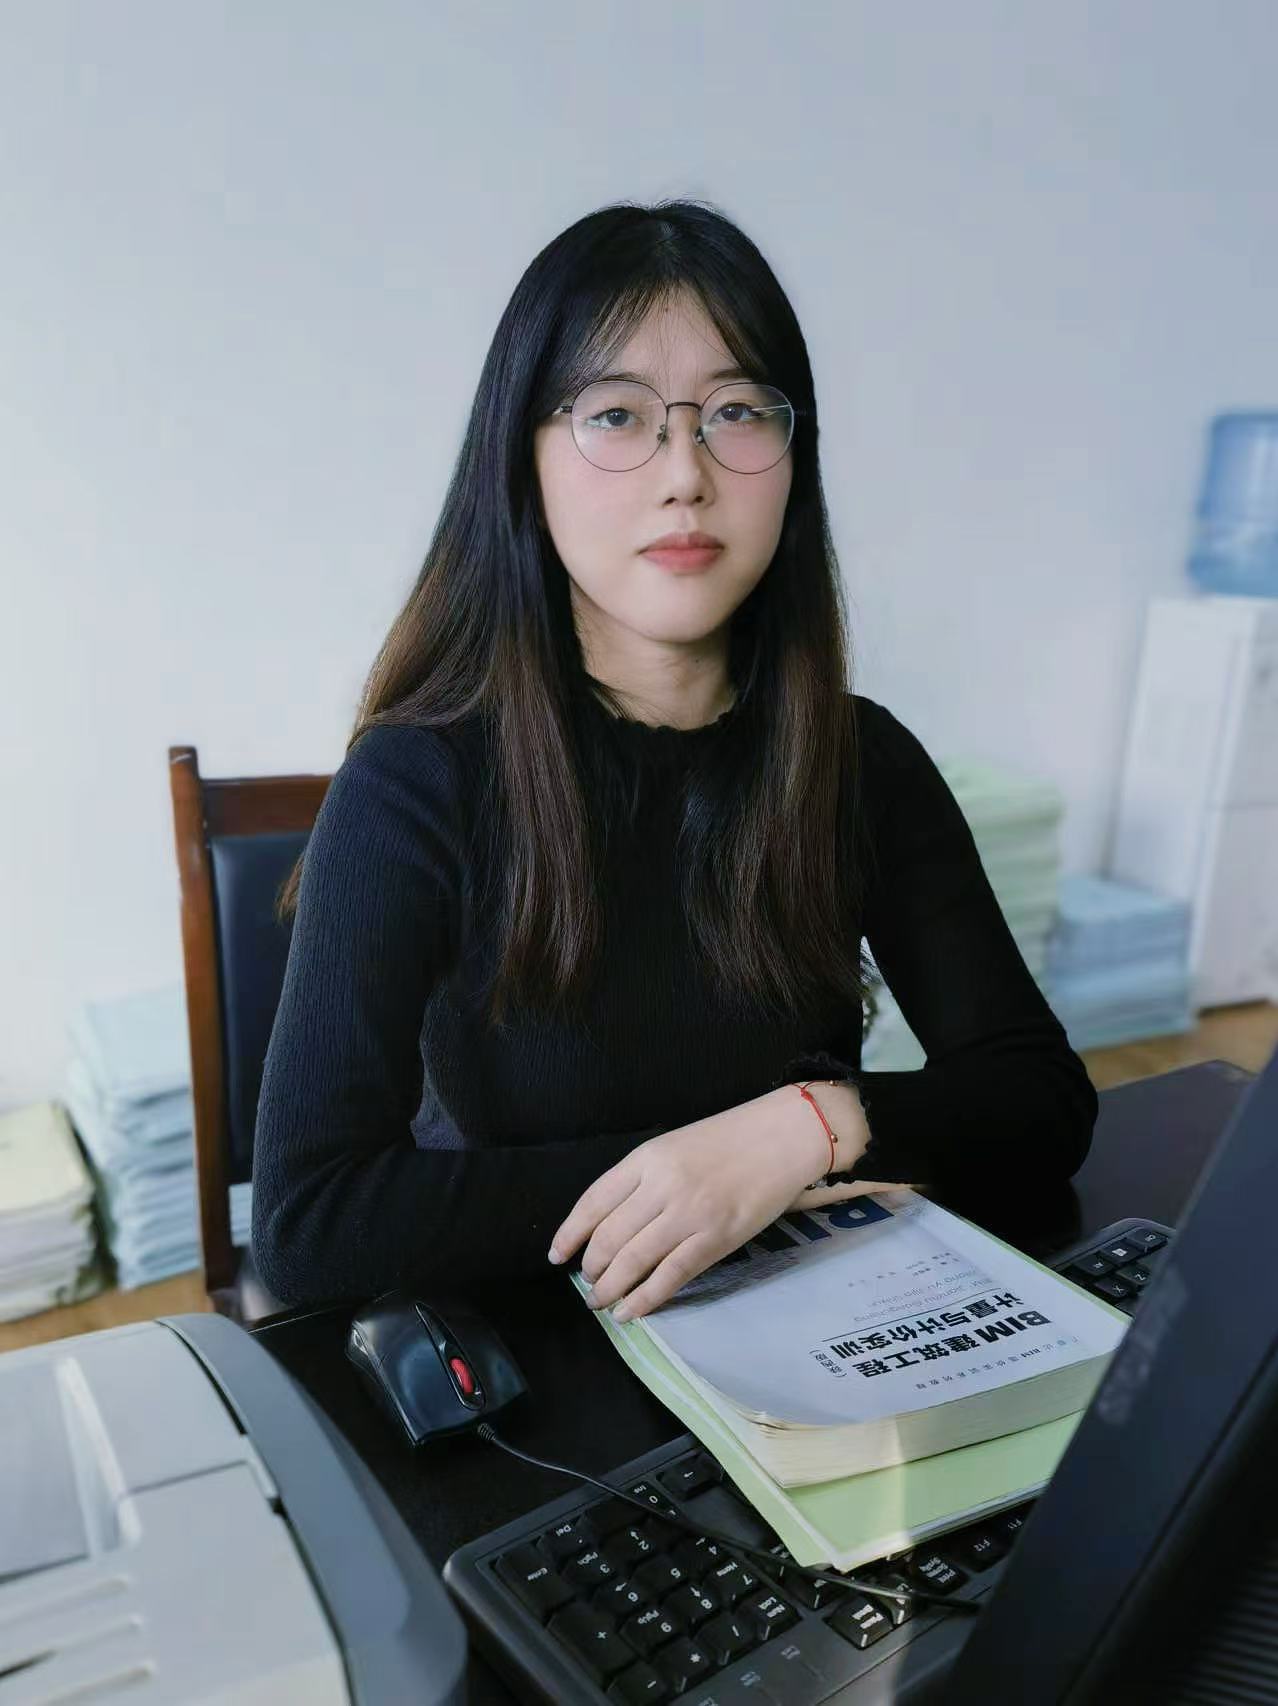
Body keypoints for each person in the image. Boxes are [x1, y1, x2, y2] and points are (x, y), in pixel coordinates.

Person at [250, 198, 1097, 1316]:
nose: (684, 474)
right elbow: (311, 1223)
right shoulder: (420, 780)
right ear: (522, 461)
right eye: (616, 415)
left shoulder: (860, 759)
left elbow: (1041, 1099)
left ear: (794, 456)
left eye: (736, 411)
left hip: (813, 1330)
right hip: (546, 1364)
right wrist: (695, 1177)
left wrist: (805, 1128)